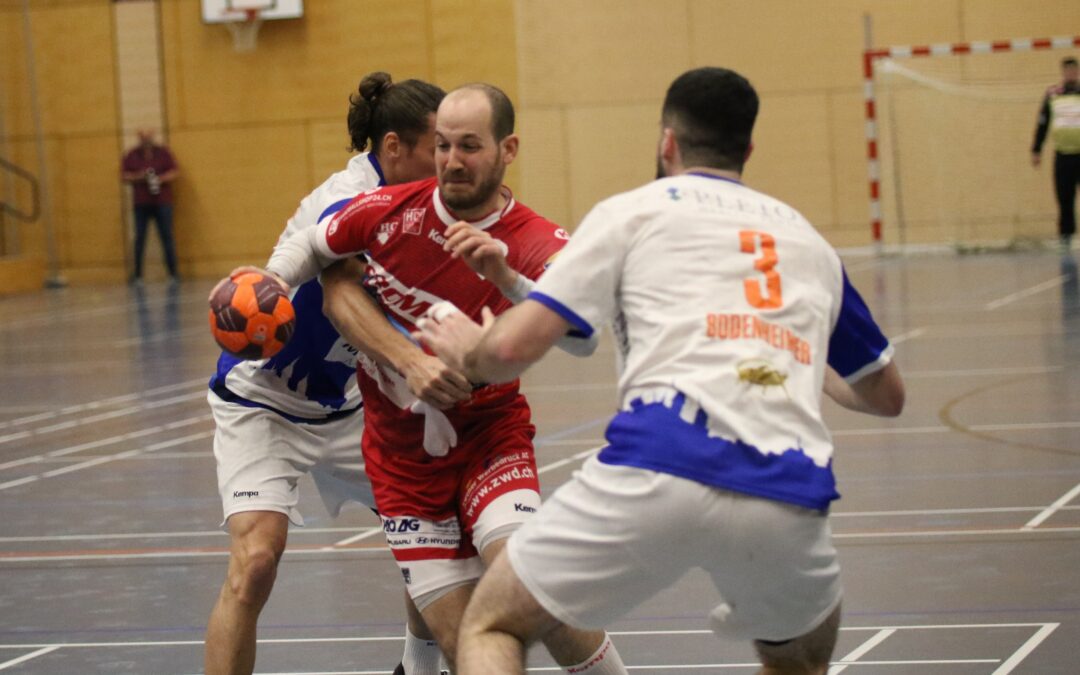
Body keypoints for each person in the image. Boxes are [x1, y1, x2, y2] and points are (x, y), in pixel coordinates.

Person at [417, 67, 906, 675]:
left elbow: (513, 349)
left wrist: (470, 349)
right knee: (800, 660)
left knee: (491, 623)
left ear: (666, 143)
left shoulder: (632, 213)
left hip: (658, 466)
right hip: (786, 491)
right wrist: (800, 360)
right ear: (747, 150)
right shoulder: (808, 242)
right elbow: (887, 396)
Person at [264, 83, 627, 675]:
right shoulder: (390, 211)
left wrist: (507, 278)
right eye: (442, 145)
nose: (452, 161)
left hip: (490, 442)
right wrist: (273, 281)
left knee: (532, 591)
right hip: (402, 468)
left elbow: (582, 333)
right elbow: (313, 243)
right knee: (470, 649)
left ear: (508, 149)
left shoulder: (536, 240)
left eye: (470, 146)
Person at [204, 72, 460, 675]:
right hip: (264, 402)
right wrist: (261, 289)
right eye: (437, 147)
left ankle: (416, 669)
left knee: (435, 540)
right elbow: (322, 290)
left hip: (351, 406)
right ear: (393, 147)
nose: (448, 162)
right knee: (256, 562)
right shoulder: (343, 201)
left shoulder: (435, 204)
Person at [1032, 56, 1080, 250]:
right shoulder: (1053, 94)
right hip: (1063, 155)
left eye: (1074, 70)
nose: (1071, 73)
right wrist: (1037, 149)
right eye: (1067, 70)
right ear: (1063, 72)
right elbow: (1043, 122)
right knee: (1064, 197)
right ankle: (1066, 237)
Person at [121, 129, 180, 283]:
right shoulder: (132, 155)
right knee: (139, 238)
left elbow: (174, 171)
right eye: (143, 137)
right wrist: (140, 176)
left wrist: (160, 179)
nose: (146, 140)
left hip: (162, 202)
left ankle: (173, 273)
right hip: (141, 203)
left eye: (148, 137)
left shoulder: (163, 153)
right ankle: (138, 274)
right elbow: (124, 175)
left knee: (166, 236)